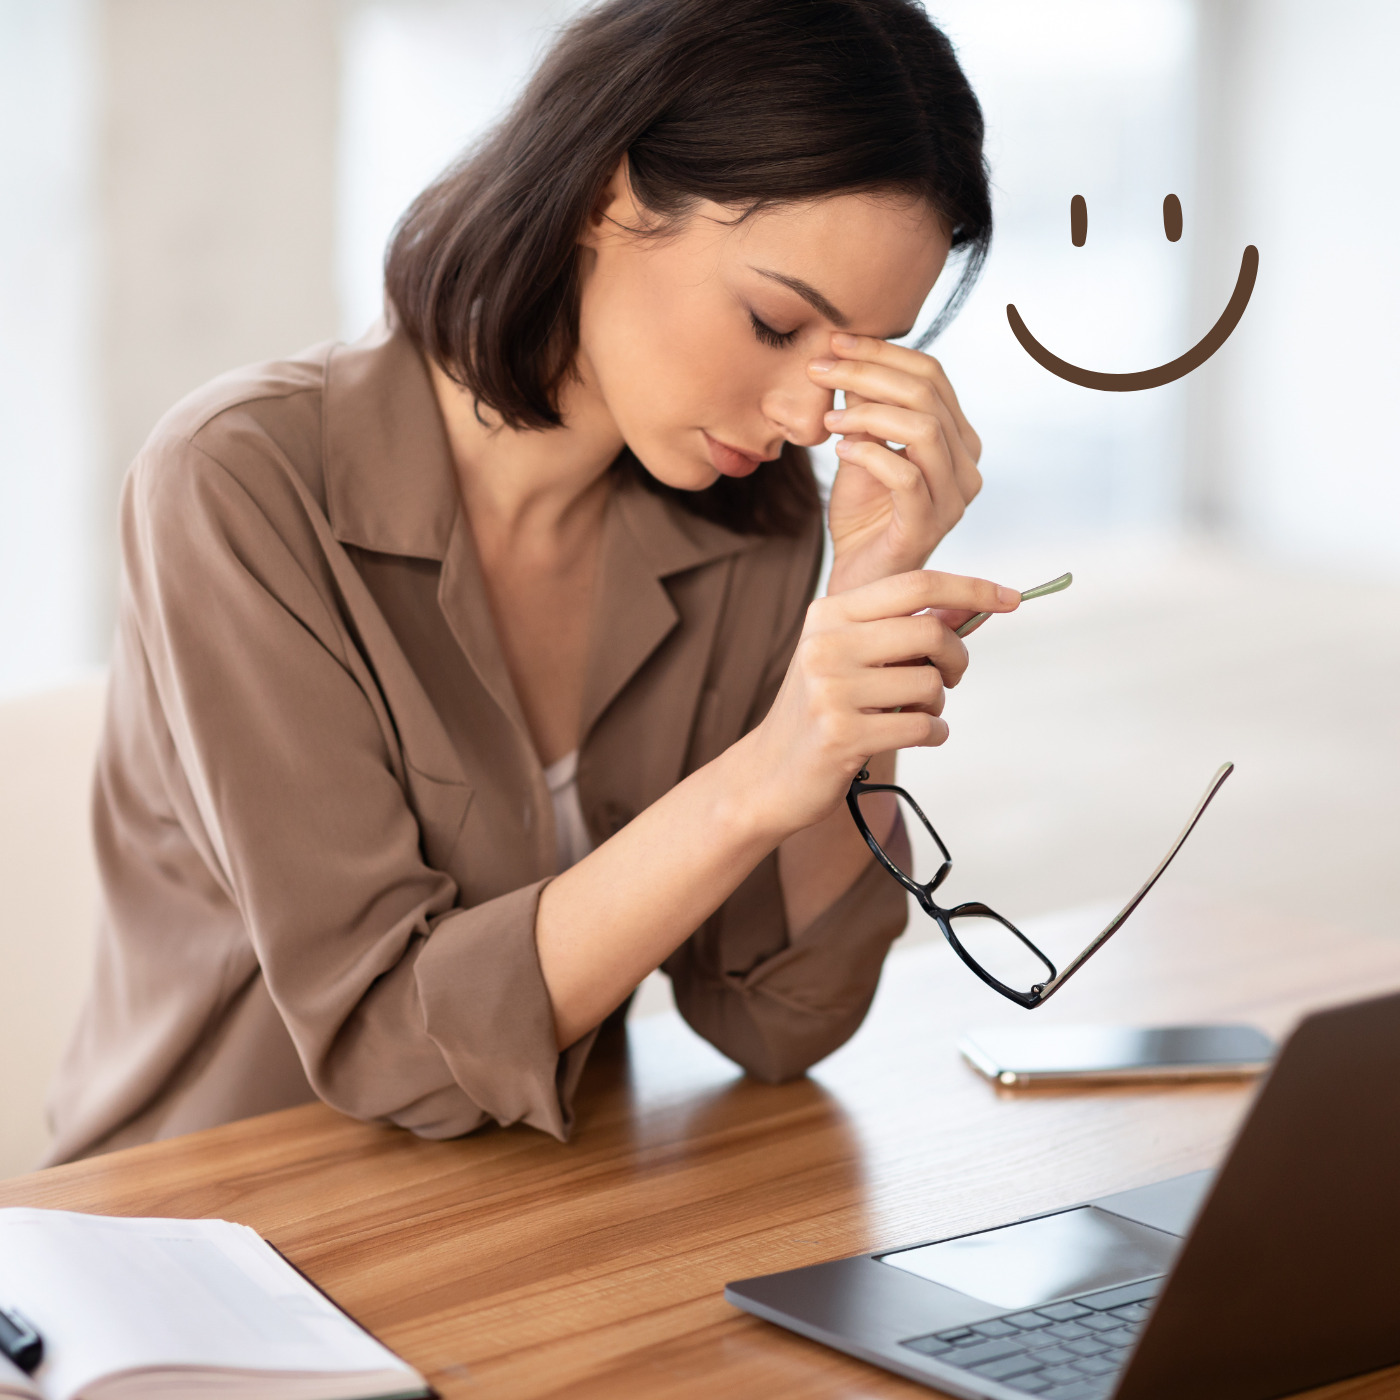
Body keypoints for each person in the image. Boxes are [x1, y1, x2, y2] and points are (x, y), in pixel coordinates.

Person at [46, 0, 1018, 1164]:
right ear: (609, 194)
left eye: (860, 358)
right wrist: (764, 770)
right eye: (772, 323)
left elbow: (779, 1019)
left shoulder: (752, 516)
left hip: (535, 1213)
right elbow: (388, 1043)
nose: (812, 412)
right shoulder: (238, 483)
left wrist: (867, 594)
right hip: (207, 1232)